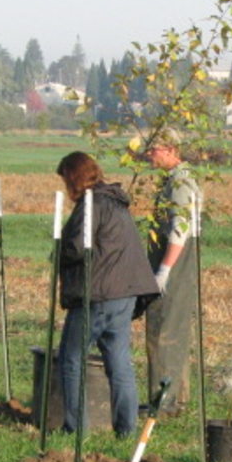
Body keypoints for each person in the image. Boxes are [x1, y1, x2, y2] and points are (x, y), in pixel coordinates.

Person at [56, 151, 159, 438]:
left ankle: (75, 429)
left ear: (73, 177)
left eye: (65, 180)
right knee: (119, 363)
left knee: (71, 358)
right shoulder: (115, 202)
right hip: (125, 295)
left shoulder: (91, 204)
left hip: (98, 294)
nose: (65, 189)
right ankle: (126, 431)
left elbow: (77, 247)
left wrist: (58, 252)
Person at [143, 129, 200, 416]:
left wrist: (164, 269)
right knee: (172, 330)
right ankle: (174, 400)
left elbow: (181, 228)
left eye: (153, 150)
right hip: (175, 264)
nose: (149, 155)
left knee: (164, 330)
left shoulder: (180, 182)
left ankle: (164, 403)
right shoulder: (174, 179)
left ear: (169, 149)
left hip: (176, 265)